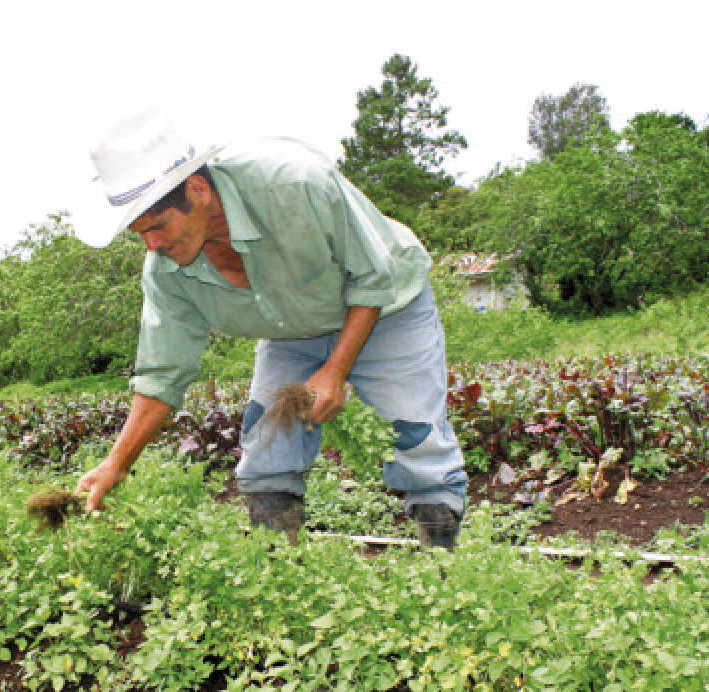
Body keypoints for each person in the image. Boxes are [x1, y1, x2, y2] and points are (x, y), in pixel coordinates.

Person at [72, 108, 467, 549]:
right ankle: (276, 573)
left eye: (159, 226)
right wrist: (117, 464)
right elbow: (162, 374)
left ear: (198, 190)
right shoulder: (167, 271)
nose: (153, 246)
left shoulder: (295, 185)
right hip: (292, 334)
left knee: (418, 441)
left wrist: (335, 371)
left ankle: (442, 571)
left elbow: (372, 277)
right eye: (139, 233)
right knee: (267, 448)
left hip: (388, 307)